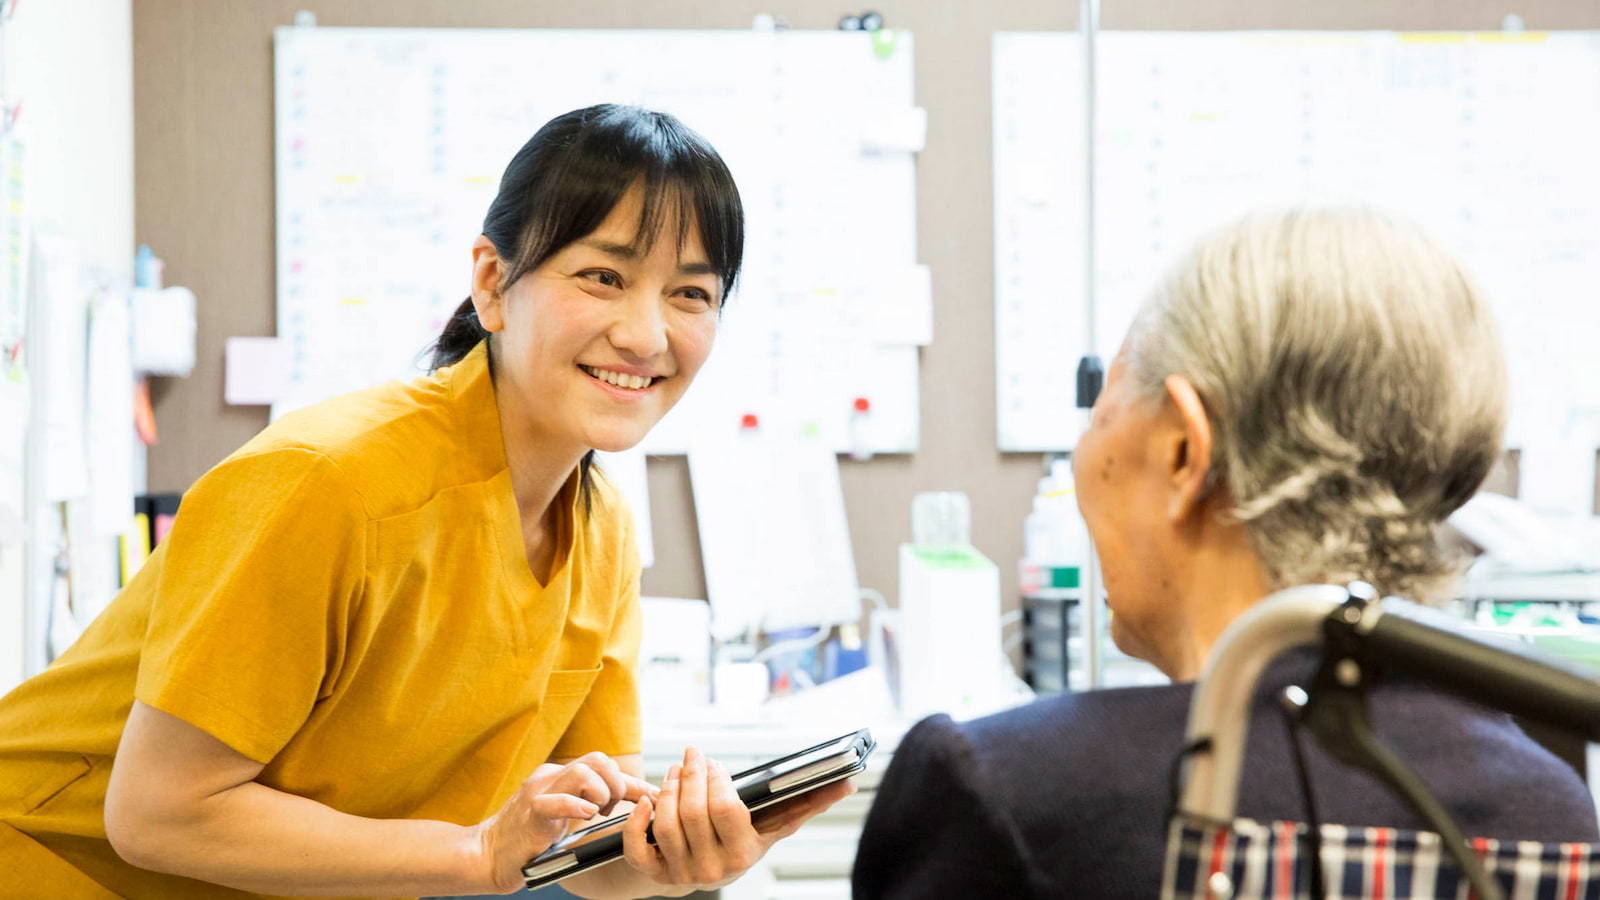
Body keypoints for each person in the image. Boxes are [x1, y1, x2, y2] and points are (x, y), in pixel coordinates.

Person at [0, 104, 849, 899]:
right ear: (491, 282)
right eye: (602, 275)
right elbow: (157, 812)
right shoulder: (325, 482)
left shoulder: (600, 533)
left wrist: (682, 862)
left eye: (691, 294)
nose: (646, 334)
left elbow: (579, 850)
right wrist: (477, 853)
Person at [852, 208, 1599, 898]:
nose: (1085, 455)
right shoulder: (1552, 810)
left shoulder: (1007, 797)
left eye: (1103, 410)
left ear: (1184, 450)